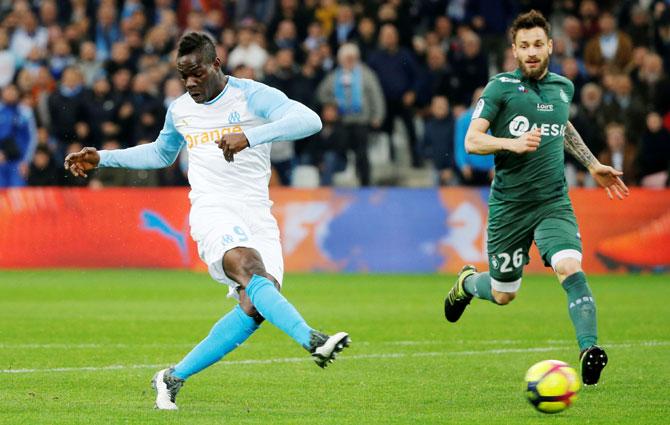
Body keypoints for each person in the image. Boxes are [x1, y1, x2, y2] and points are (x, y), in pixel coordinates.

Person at [64, 32, 350, 410]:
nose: (191, 82)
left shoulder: (250, 95)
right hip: (212, 208)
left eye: (197, 72)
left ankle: (171, 377)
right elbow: (161, 154)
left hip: (257, 213)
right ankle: (313, 340)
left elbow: (309, 120)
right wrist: (103, 157)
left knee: (255, 305)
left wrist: (250, 135)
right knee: (250, 270)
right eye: (184, 75)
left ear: (216, 64)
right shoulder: (180, 109)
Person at [442, 11, 629, 386]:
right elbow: (472, 140)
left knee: (569, 267)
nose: (531, 52)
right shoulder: (500, 88)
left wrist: (592, 164)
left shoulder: (564, 88)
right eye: (524, 46)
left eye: (538, 45)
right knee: (503, 293)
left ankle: (589, 350)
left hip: (551, 203)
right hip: (509, 207)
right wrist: (511, 143)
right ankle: (466, 284)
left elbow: (562, 124)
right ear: (513, 50)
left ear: (551, 47)